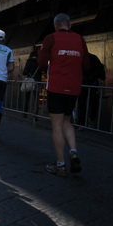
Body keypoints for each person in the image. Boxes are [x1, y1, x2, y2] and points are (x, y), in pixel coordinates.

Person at [38, 13, 89, 177]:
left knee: (57, 125)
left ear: (55, 25)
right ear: (69, 25)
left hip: (56, 86)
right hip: (74, 87)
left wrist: (49, 68)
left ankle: (60, 165)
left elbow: (41, 62)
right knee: (67, 121)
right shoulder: (80, 39)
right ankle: (73, 151)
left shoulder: (51, 38)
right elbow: (86, 64)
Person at [77, 53, 105, 126]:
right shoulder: (93, 58)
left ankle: (82, 122)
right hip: (92, 84)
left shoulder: (80, 58)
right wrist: (101, 77)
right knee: (92, 103)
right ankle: (90, 119)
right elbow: (100, 69)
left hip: (84, 84)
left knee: (83, 104)